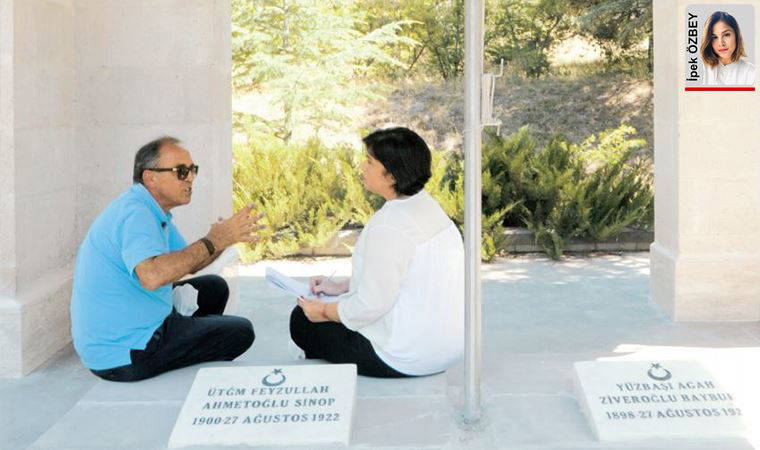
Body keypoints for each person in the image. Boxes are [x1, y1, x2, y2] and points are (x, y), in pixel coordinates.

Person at [71, 137, 263, 382]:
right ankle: (174, 348)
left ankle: (182, 340)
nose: (190, 178)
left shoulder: (151, 210)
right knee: (240, 332)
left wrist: (222, 241)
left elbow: (188, 263)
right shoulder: (136, 214)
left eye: (193, 170)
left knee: (215, 287)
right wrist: (212, 241)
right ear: (150, 177)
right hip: (126, 351)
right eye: (181, 171)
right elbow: (152, 277)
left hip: (132, 324)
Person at [290, 127, 464, 378]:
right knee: (330, 310)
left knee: (301, 320)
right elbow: (405, 275)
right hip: (448, 349)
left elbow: (370, 305)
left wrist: (324, 311)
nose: (363, 167)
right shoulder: (428, 207)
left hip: (404, 357)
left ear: (391, 176)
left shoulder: (389, 226)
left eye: (370, 162)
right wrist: (341, 288)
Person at [700, 11, 756, 86]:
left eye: (726, 35)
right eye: (714, 37)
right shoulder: (701, 69)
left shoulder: (752, 73)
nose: (721, 43)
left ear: (736, 35)